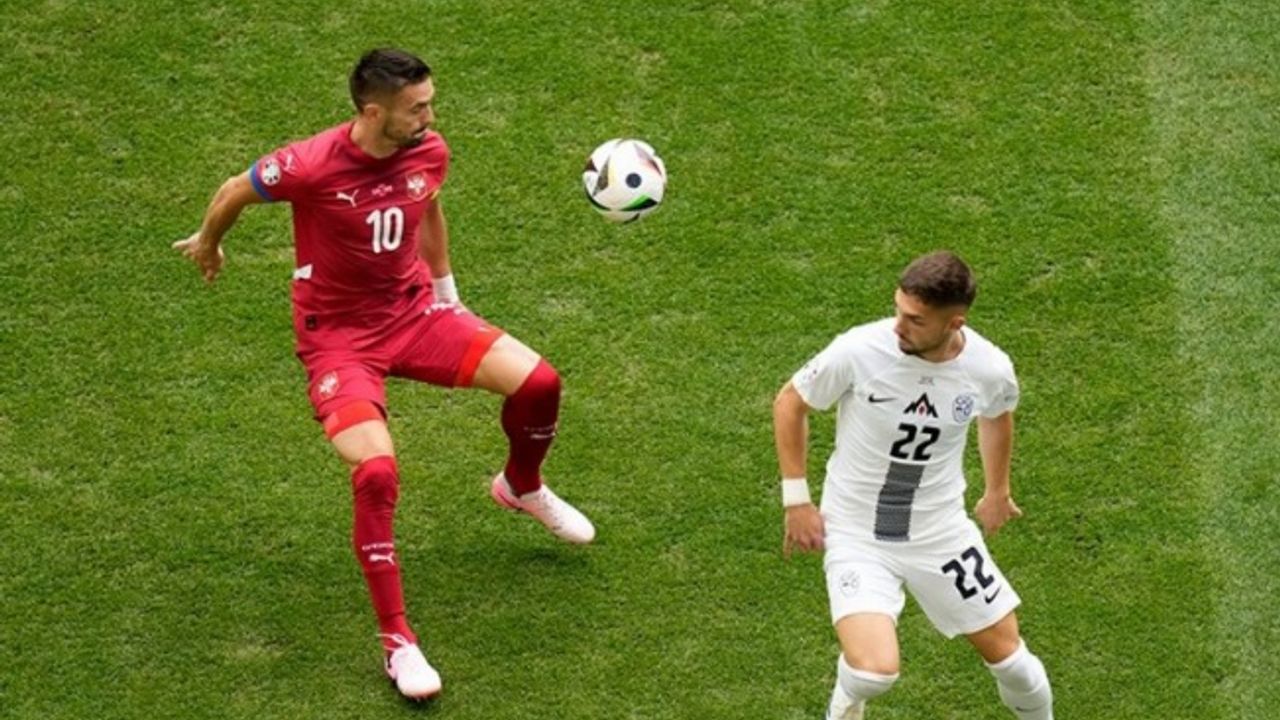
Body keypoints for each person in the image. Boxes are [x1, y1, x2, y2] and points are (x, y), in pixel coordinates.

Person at [173, 48, 595, 701]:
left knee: (540, 382)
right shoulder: (310, 164)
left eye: (430, 103)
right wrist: (209, 241)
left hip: (415, 315)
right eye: (416, 108)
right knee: (376, 473)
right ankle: (398, 641)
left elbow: (428, 207)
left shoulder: (428, 151)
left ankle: (521, 485)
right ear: (373, 112)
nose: (430, 117)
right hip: (340, 343)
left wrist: (448, 295)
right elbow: (235, 189)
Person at [773, 251, 1053, 719]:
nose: (898, 327)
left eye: (915, 320)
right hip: (857, 533)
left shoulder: (988, 368)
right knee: (873, 673)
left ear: (954, 323)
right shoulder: (860, 350)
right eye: (898, 310)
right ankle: (846, 699)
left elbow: (997, 415)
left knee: (1016, 667)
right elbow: (790, 402)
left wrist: (997, 491)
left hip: (940, 533)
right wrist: (796, 500)